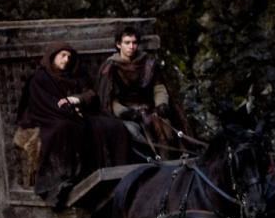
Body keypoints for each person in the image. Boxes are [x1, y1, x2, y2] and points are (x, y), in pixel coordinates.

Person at [16, 42, 132, 204]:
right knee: (64, 129)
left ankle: (119, 174)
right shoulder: (40, 79)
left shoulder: (75, 75)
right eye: (62, 56)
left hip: (81, 114)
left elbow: (90, 94)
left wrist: (77, 100)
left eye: (69, 56)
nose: (66, 60)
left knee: (114, 126)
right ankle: (65, 179)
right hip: (50, 118)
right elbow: (43, 104)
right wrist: (69, 111)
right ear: (53, 57)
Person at [97, 25, 188, 157]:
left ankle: (169, 160)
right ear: (118, 44)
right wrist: (124, 112)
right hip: (127, 112)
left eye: (134, 42)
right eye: (127, 43)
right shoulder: (111, 67)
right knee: (134, 134)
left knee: (166, 128)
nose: (131, 46)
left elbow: (158, 87)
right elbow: (109, 99)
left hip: (150, 108)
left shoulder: (147, 62)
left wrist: (161, 104)